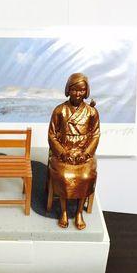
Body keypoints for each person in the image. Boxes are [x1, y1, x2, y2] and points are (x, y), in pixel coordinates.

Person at [48, 73, 100, 230]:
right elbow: (52, 135)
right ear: (68, 90)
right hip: (64, 153)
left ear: (86, 91)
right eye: (74, 90)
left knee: (85, 176)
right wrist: (63, 153)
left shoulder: (91, 112)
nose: (78, 94)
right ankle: (64, 211)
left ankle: (78, 212)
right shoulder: (60, 110)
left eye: (82, 90)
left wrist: (86, 154)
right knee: (65, 176)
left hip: (83, 154)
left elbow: (95, 135)